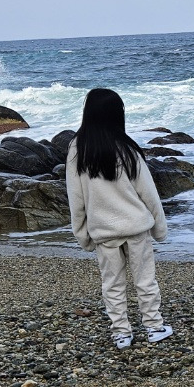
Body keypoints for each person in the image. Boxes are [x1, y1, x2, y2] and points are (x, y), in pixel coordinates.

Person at [66, 87, 173, 349]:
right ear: (117, 115)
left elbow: (76, 199)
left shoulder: (78, 149)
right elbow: (149, 193)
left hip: (104, 232)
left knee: (112, 285)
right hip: (136, 227)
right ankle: (154, 327)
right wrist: (160, 228)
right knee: (145, 280)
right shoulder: (127, 148)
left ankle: (121, 333)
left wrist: (82, 235)